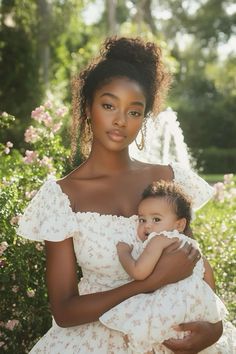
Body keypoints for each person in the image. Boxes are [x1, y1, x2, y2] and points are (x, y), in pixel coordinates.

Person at [18, 36, 225, 353]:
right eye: (109, 105)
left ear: (144, 118)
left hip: (174, 335)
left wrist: (214, 329)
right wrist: (146, 283)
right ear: (88, 107)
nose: (119, 120)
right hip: (93, 340)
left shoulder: (168, 178)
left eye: (134, 111)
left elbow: (194, 260)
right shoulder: (62, 196)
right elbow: (64, 310)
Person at [99, 180, 228, 353]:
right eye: (142, 219)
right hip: (196, 310)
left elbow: (139, 272)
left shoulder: (159, 239)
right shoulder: (192, 246)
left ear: (179, 225)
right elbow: (208, 274)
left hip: (168, 308)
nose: (148, 226)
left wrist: (124, 253)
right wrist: (206, 302)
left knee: (136, 333)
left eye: (156, 219)